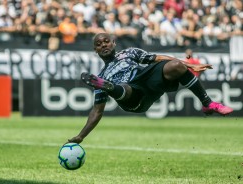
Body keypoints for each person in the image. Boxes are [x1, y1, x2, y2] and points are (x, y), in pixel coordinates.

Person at [68, 32, 233, 144]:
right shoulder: (101, 75)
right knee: (124, 88)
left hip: (146, 80)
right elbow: (97, 111)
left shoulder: (129, 52)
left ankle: (207, 103)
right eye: (98, 44)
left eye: (106, 41)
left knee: (176, 65)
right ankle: (111, 88)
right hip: (134, 100)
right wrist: (81, 136)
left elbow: (158, 57)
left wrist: (189, 64)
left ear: (113, 43)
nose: (103, 45)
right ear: (95, 50)